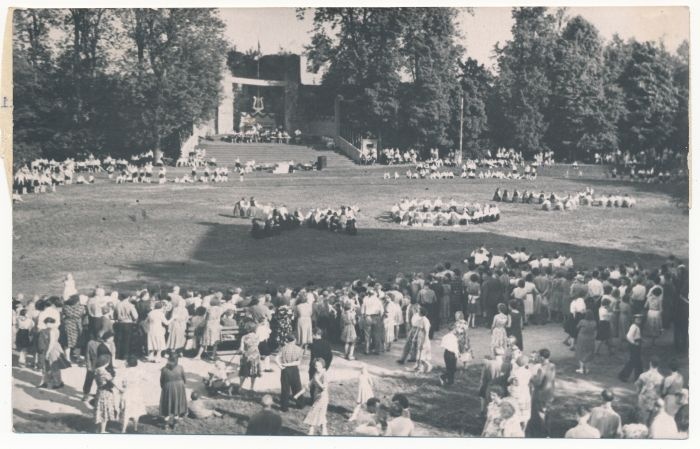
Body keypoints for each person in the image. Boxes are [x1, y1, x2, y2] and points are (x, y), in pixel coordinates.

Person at [529, 348, 555, 436]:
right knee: (548, 413)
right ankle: (548, 430)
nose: (538, 358)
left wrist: (532, 377)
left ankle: (543, 432)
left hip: (541, 394)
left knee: (541, 413)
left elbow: (537, 382)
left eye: (539, 356)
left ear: (542, 357)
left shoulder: (541, 369)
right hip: (550, 393)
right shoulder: (552, 365)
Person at [94, 353, 122, 433]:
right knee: (105, 412)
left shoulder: (96, 370)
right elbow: (113, 382)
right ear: (106, 362)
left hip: (99, 391)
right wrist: (120, 389)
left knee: (100, 410)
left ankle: (99, 428)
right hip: (106, 393)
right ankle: (102, 431)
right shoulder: (104, 372)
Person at [159, 353, 188, 429]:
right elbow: (184, 379)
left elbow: (162, 382)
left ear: (168, 360)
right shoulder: (180, 368)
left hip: (168, 387)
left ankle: (166, 425)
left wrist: (165, 388)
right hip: (179, 387)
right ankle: (175, 424)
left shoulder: (164, 369)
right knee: (177, 405)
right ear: (177, 360)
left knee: (167, 406)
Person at [276, 335, 304, 412]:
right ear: (294, 340)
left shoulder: (283, 348)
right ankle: (299, 404)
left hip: (285, 370)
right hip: (294, 369)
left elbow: (276, 358)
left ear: (287, 340)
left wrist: (281, 366)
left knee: (285, 389)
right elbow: (298, 362)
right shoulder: (299, 349)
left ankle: (284, 407)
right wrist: (289, 364)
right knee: (297, 387)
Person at [119, 356, 146, 433]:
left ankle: (123, 429)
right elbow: (146, 378)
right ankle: (135, 428)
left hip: (127, 392)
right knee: (136, 411)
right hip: (137, 392)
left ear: (128, 363)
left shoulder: (125, 371)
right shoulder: (139, 371)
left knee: (126, 411)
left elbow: (120, 382)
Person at [635, 355, 664, 425]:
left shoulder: (643, 375)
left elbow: (637, 386)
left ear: (650, 363)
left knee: (642, 421)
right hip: (654, 401)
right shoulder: (661, 378)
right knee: (652, 421)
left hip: (643, 399)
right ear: (658, 365)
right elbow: (661, 391)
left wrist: (639, 394)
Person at [304, 358, 330, 435]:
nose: (316, 367)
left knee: (313, 412)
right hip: (316, 396)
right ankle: (324, 431)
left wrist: (317, 381)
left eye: (318, 365)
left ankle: (310, 431)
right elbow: (311, 382)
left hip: (323, 397)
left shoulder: (325, 374)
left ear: (322, 365)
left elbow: (324, 387)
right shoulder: (316, 373)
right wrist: (307, 385)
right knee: (321, 414)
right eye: (315, 366)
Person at [479, 347, 506, 414]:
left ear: (494, 354)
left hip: (490, 386)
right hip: (501, 387)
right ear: (503, 355)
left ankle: (485, 415)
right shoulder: (506, 364)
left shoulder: (489, 364)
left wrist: (482, 385)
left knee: (490, 404)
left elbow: (483, 378)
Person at [308, 327, 333, 399]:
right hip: (323, 367)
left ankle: (313, 398)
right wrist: (326, 367)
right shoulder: (327, 343)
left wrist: (312, 367)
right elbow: (330, 356)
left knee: (313, 383)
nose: (312, 336)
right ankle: (320, 398)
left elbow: (313, 358)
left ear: (316, 334)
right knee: (322, 382)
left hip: (314, 366)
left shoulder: (313, 344)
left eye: (312, 334)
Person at [618, 314, 644, 382]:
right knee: (634, 361)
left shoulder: (637, 326)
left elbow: (636, 335)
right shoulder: (634, 327)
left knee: (637, 362)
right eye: (637, 319)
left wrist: (641, 339)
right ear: (634, 320)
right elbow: (629, 336)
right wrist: (634, 343)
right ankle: (623, 375)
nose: (639, 320)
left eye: (640, 319)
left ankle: (638, 377)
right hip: (634, 346)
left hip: (637, 344)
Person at [239, 321, 262, 393]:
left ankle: (240, 387)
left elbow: (241, 349)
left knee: (243, 372)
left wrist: (242, 351)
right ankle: (251, 387)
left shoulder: (244, 337)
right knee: (253, 373)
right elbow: (257, 345)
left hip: (246, 356)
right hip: (255, 356)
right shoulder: (257, 336)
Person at [575, 310, 597, 375]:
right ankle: (587, 369)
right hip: (591, 338)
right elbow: (595, 330)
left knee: (580, 352)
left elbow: (577, 327)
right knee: (589, 352)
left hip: (582, 338)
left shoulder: (582, 321)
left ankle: (581, 368)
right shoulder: (594, 322)